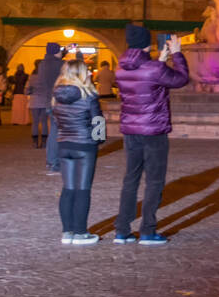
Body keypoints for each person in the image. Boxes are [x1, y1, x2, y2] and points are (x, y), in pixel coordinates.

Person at [114, 25, 190, 245]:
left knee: (131, 179)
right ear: (147, 43)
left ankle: (122, 230)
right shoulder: (153, 69)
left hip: (131, 130)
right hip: (153, 130)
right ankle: (147, 230)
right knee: (154, 181)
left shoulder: (121, 66)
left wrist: (159, 61)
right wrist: (176, 53)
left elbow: (147, 76)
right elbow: (180, 79)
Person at [52, 53, 105, 245]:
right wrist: (98, 140)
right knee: (83, 189)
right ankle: (81, 232)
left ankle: (67, 232)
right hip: (84, 146)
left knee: (68, 189)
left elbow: (57, 121)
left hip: (64, 144)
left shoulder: (57, 95)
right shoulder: (89, 96)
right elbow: (98, 121)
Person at [27, 43, 64, 169]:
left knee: (53, 129)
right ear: (55, 52)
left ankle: (50, 160)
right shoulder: (59, 64)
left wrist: (65, 51)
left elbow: (55, 59)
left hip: (48, 101)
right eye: (59, 51)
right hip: (58, 101)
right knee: (57, 132)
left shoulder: (43, 64)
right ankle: (54, 161)